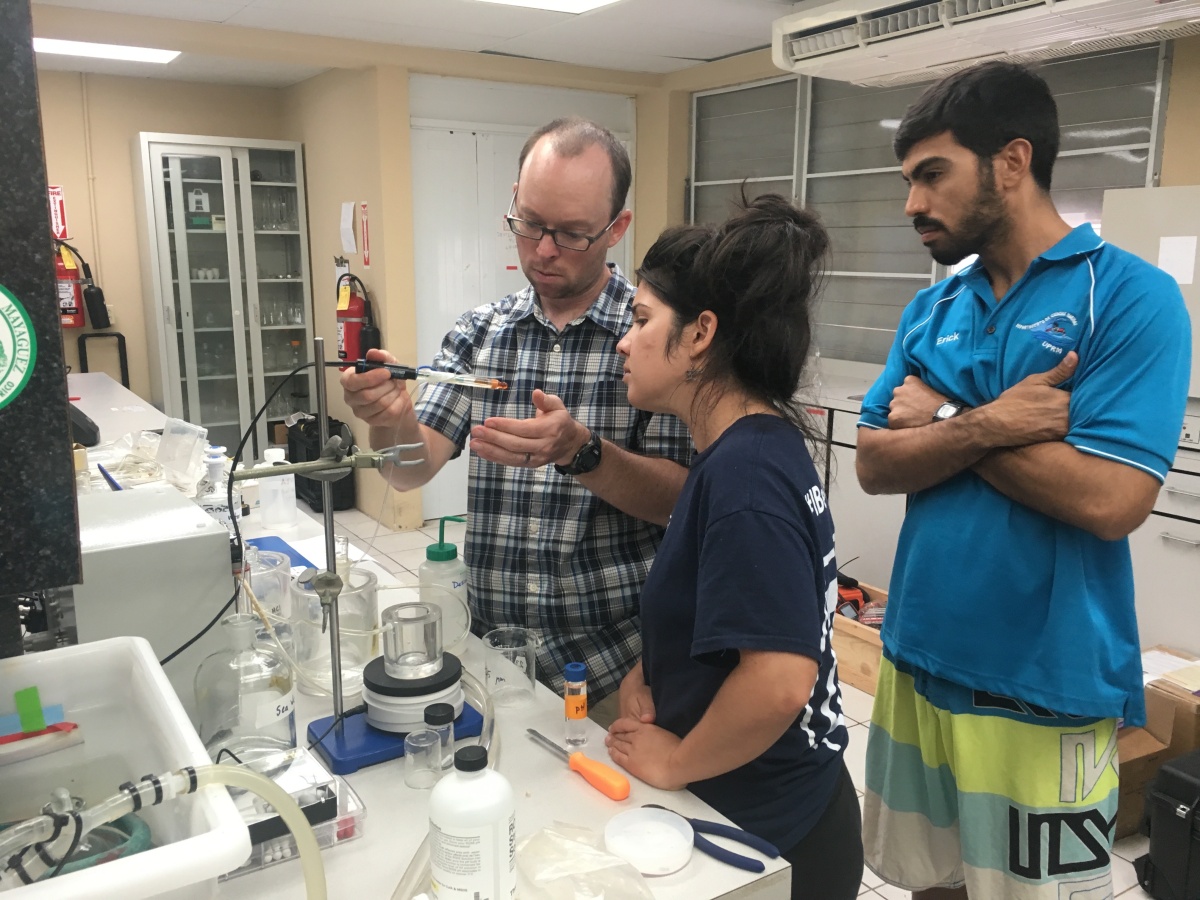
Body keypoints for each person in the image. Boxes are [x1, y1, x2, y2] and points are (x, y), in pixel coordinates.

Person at [855, 61, 1192, 898]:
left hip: (1045, 685)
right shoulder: (933, 308)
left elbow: (1110, 500)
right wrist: (994, 422)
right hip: (916, 658)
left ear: (1011, 162)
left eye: (932, 175)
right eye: (908, 180)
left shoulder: (1129, 298)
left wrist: (938, 421)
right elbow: (870, 461)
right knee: (928, 883)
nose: (912, 204)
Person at [340, 118, 691, 716]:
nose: (545, 249)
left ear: (617, 228)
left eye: (573, 233)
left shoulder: (655, 338)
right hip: (492, 657)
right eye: (529, 224)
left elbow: (684, 501)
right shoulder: (481, 332)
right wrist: (389, 418)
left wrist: (583, 453)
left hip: (617, 667)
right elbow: (407, 469)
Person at [604, 195, 864, 899]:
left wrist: (677, 760)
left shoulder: (744, 475)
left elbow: (780, 680)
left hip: (779, 839)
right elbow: (742, 622)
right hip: (764, 809)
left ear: (700, 335)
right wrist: (652, 670)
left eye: (641, 319)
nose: (624, 342)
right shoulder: (747, 449)